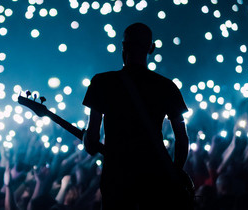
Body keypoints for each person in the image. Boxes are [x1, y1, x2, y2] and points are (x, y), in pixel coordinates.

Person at [82, 22, 191, 209]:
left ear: (123, 46)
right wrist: (174, 173)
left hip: (117, 179)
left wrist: (87, 139)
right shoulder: (166, 87)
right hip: (155, 179)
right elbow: (182, 140)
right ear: (152, 48)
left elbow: (92, 141)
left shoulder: (102, 83)